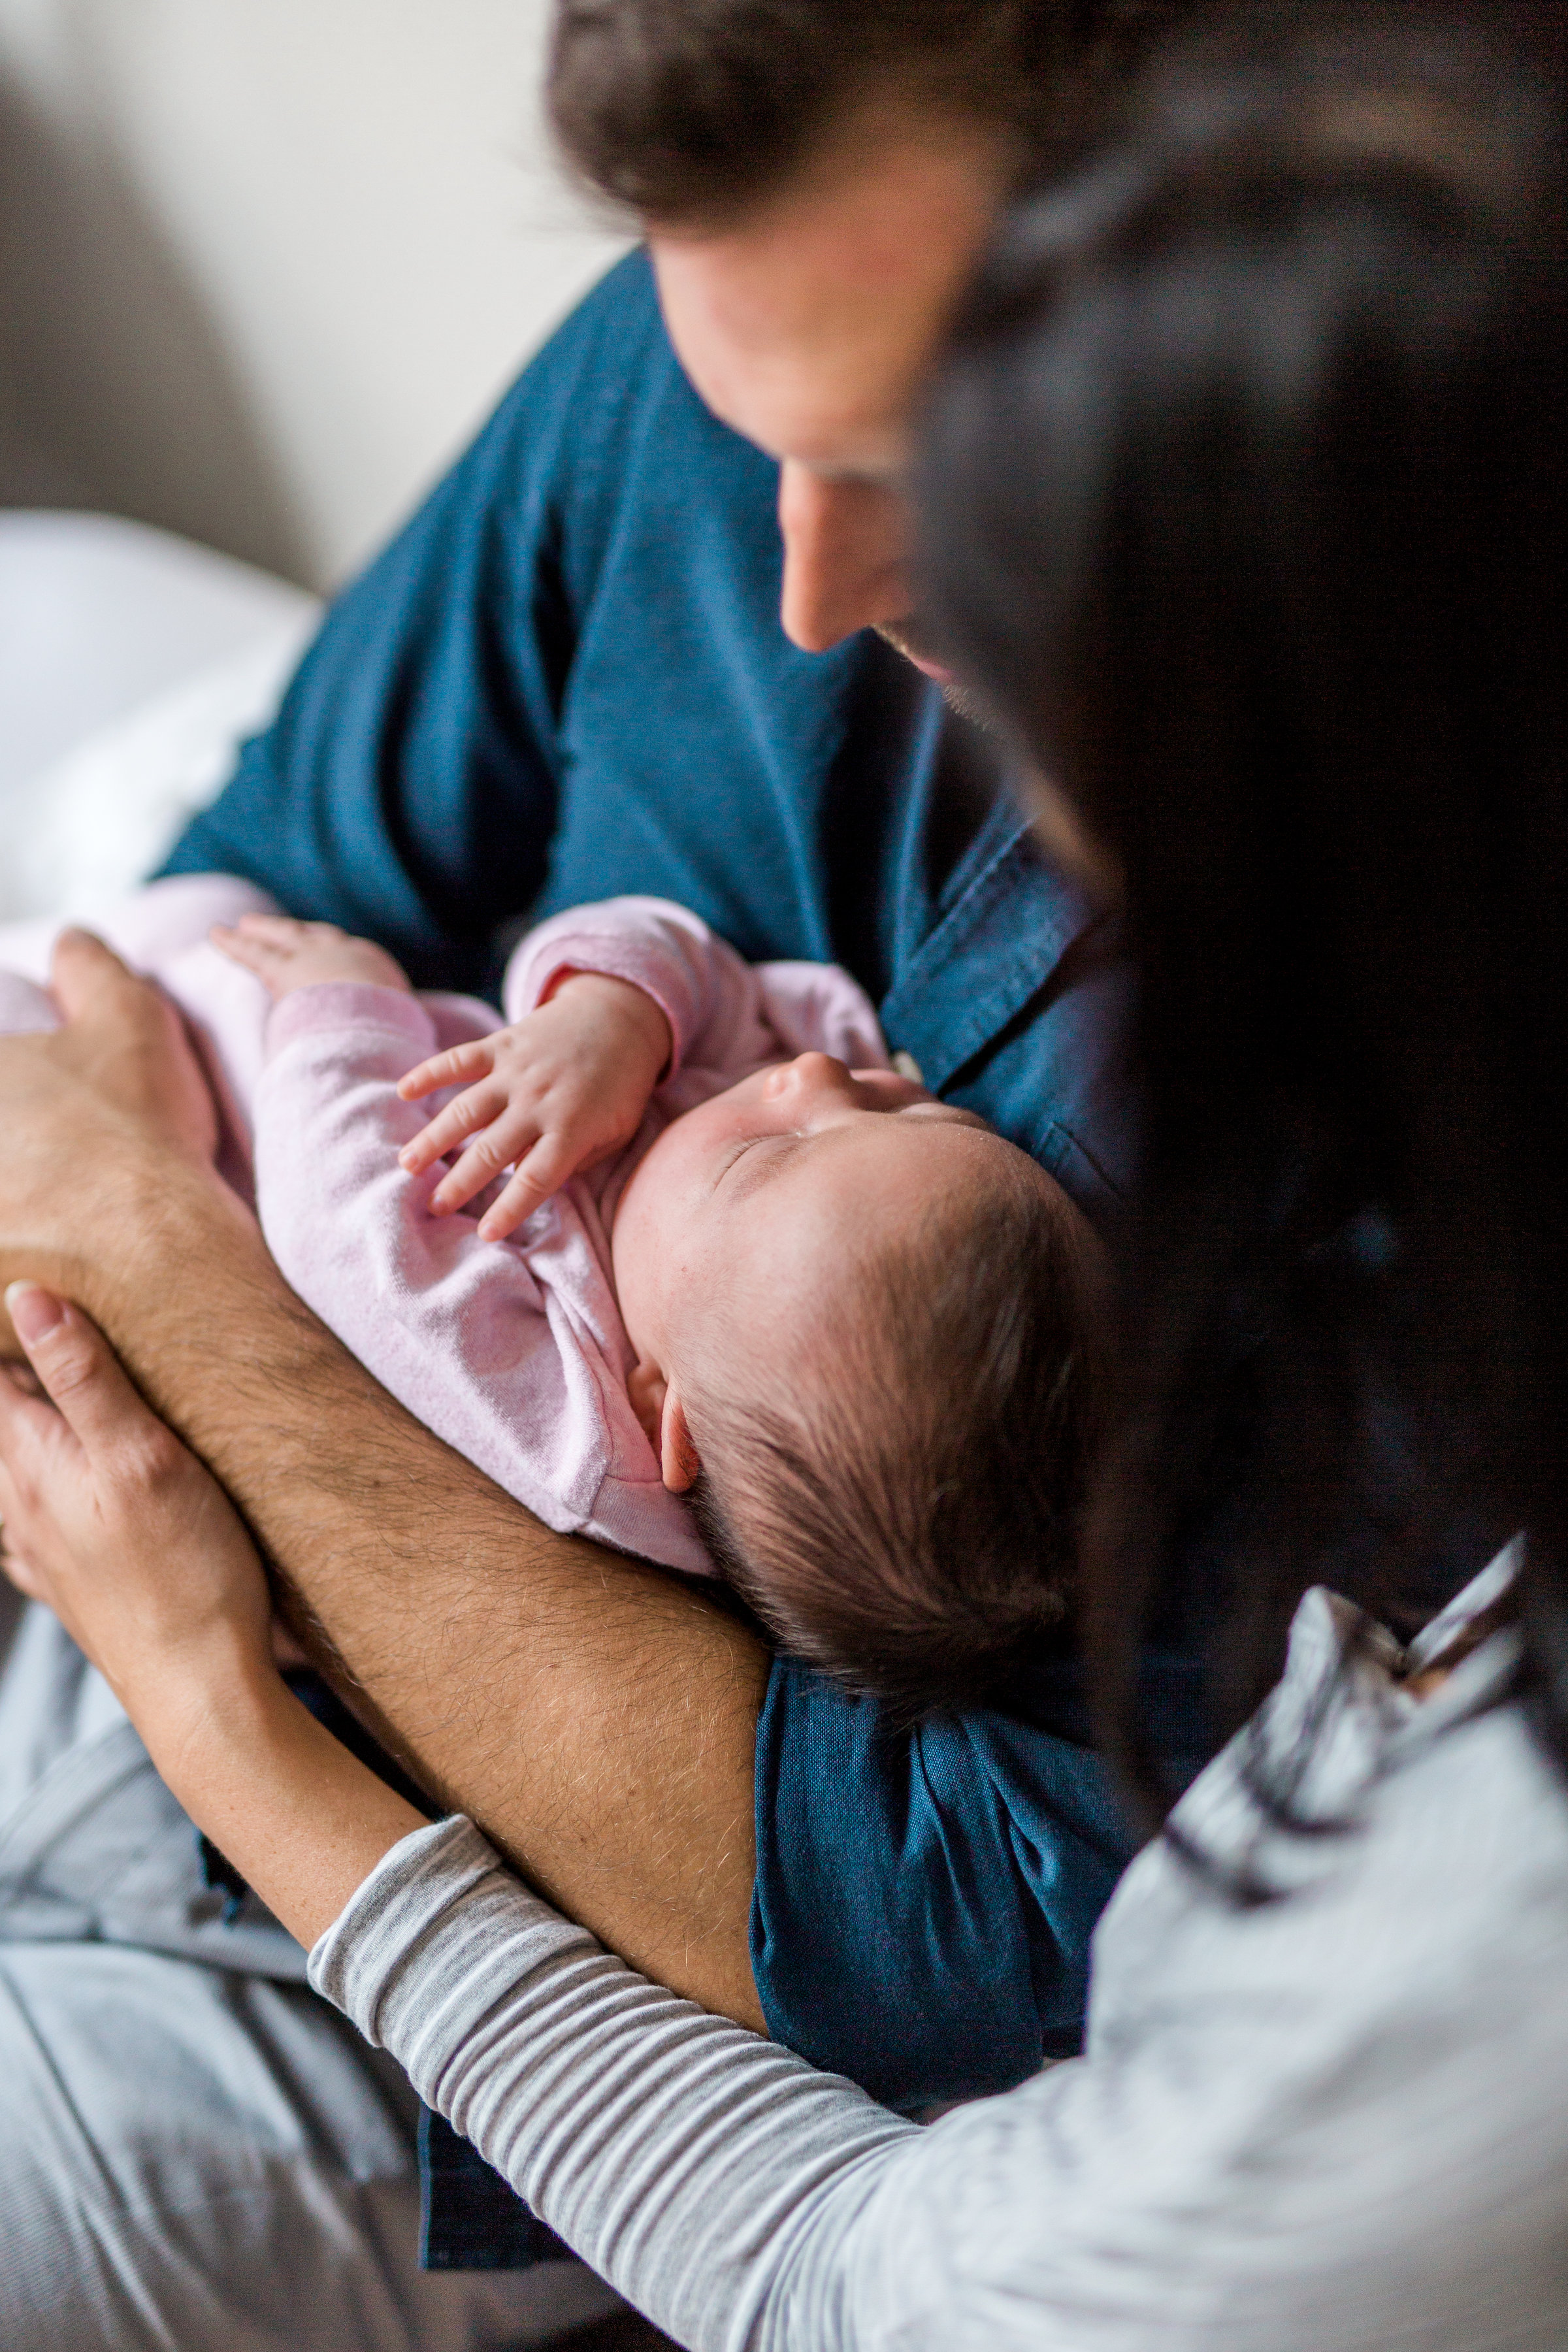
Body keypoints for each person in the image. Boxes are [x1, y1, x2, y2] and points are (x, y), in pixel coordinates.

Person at [4, 5, 1563, 2345]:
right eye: (761, 435)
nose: (807, 585)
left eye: (930, 456)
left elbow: (926, 1945)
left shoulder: (1428, 1126)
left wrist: (167, 1300)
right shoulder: (724, 373)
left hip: (407, 2013)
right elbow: (262, 891)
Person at [0, 879, 1097, 1705]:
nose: (811, 1079)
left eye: (766, 1154)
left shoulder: (563, 1428)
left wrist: (349, 1012)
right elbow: (724, 976)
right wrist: (621, 1016)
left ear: (664, 1407)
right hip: (198, 1019)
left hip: (200, 1119)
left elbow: (352, 1239)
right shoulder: (773, 1208)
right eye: (911, 1108)